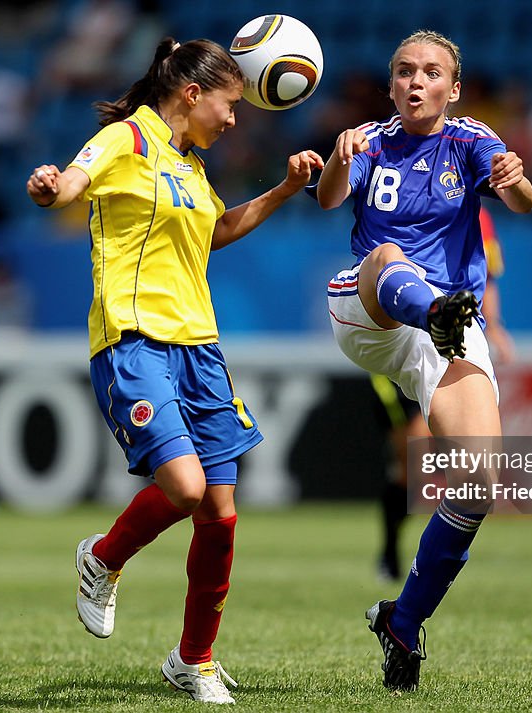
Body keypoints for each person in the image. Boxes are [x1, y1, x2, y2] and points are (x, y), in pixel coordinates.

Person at [25, 37, 323, 704]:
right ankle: (101, 557)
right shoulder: (126, 141)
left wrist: (285, 189)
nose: (235, 117)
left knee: (220, 514)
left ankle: (194, 660)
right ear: (192, 94)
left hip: (201, 350)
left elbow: (214, 231)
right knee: (186, 488)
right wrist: (52, 186)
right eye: (229, 103)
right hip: (134, 343)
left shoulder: (189, 167)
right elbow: (72, 182)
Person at [313, 30, 532, 692]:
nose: (416, 81)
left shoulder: (471, 141)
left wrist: (516, 183)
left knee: (479, 485)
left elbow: (521, 200)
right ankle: (432, 308)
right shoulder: (369, 141)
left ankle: (403, 623)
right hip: (374, 311)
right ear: (391, 86)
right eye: (405, 71)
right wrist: (334, 158)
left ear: (453, 88)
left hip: (451, 320)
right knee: (387, 256)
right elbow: (328, 199)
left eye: (431, 72)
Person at [374, 207, 515, 583]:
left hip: (452, 341)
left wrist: (495, 326)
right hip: (401, 339)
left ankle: (423, 566)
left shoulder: (480, 214)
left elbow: (490, 276)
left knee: (449, 463)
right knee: (410, 457)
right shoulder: (405, 184)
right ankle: (390, 552)